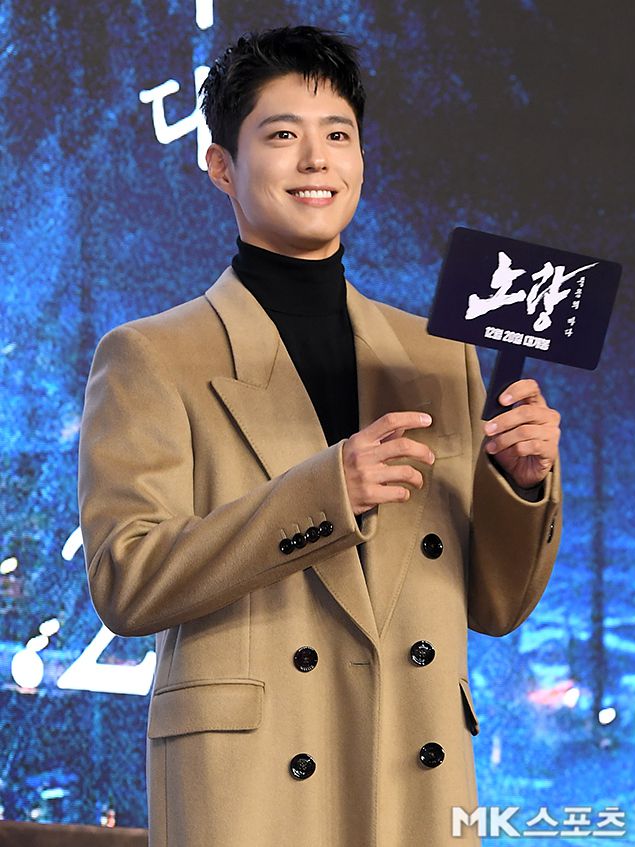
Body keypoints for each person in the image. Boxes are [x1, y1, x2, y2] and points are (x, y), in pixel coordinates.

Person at [78, 25, 562, 847]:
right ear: (221, 166)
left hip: (416, 777)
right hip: (254, 790)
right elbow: (128, 580)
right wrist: (326, 492)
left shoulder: (438, 353)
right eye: (282, 135)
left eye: (338, 135)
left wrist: (520, 485)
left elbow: (495, 605)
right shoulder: (150, 356)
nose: (316, 160)